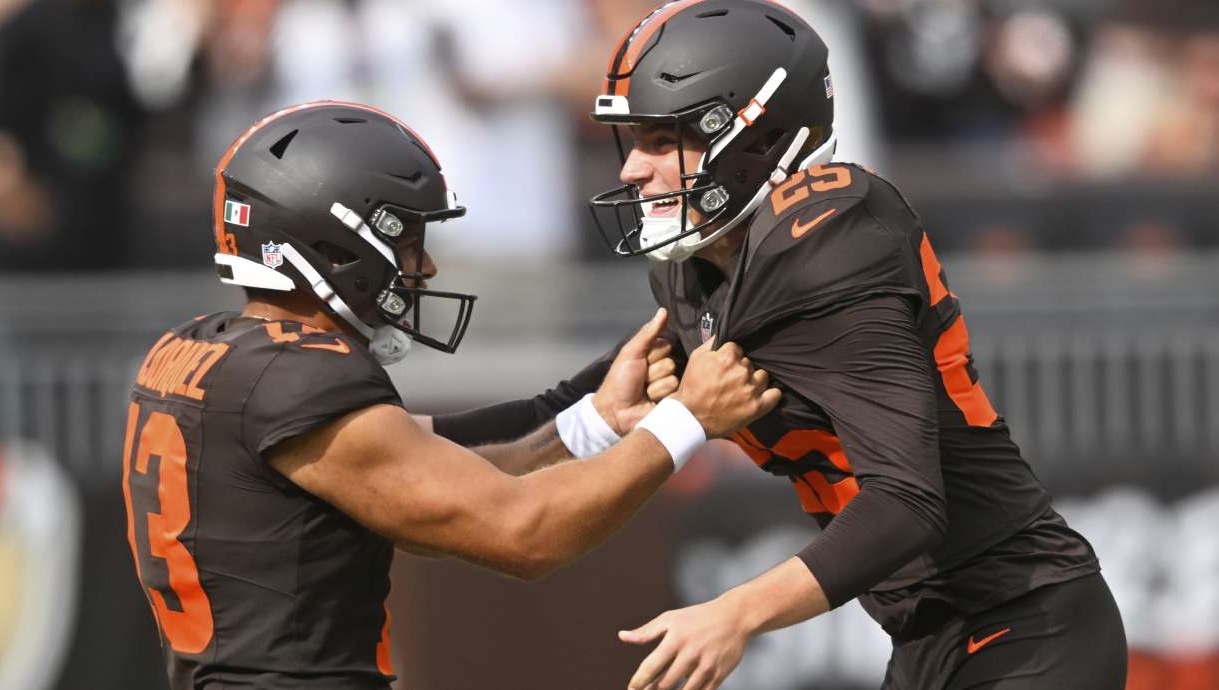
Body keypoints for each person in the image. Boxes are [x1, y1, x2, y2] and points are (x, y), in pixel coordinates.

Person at [430, 2, 1128, 689]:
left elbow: (909, 502)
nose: (632, 171)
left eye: (659, 139)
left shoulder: (830, 241)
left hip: (1028, 623)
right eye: (631, 140)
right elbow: (578, 406)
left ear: (752, 138)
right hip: (929, 637)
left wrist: (735, 614)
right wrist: (405, 441)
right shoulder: (701, 266)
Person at [119, 100, 779, 690]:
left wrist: (598, 417)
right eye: (407, 239)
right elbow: (524, 532)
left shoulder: (197, 350)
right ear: (336, 244)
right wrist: (688, 421)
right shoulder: (299, 380)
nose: (424, 265)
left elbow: (446, 474)